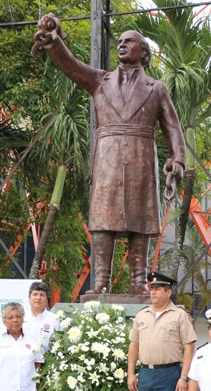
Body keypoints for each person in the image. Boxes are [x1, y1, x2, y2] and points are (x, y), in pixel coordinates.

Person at [32, 15, 186, 295]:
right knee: (103, 220)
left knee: (140, 221)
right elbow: (71, 66)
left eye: (129, 41)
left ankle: (138, 282)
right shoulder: (99, 81)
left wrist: (178, 160)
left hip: (141, 158)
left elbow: (172, 127)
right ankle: (101, 282)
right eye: (120, 41)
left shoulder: (157, 89)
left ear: (143, 51)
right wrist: (53, 40)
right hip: (108, 159)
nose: (121, 44)